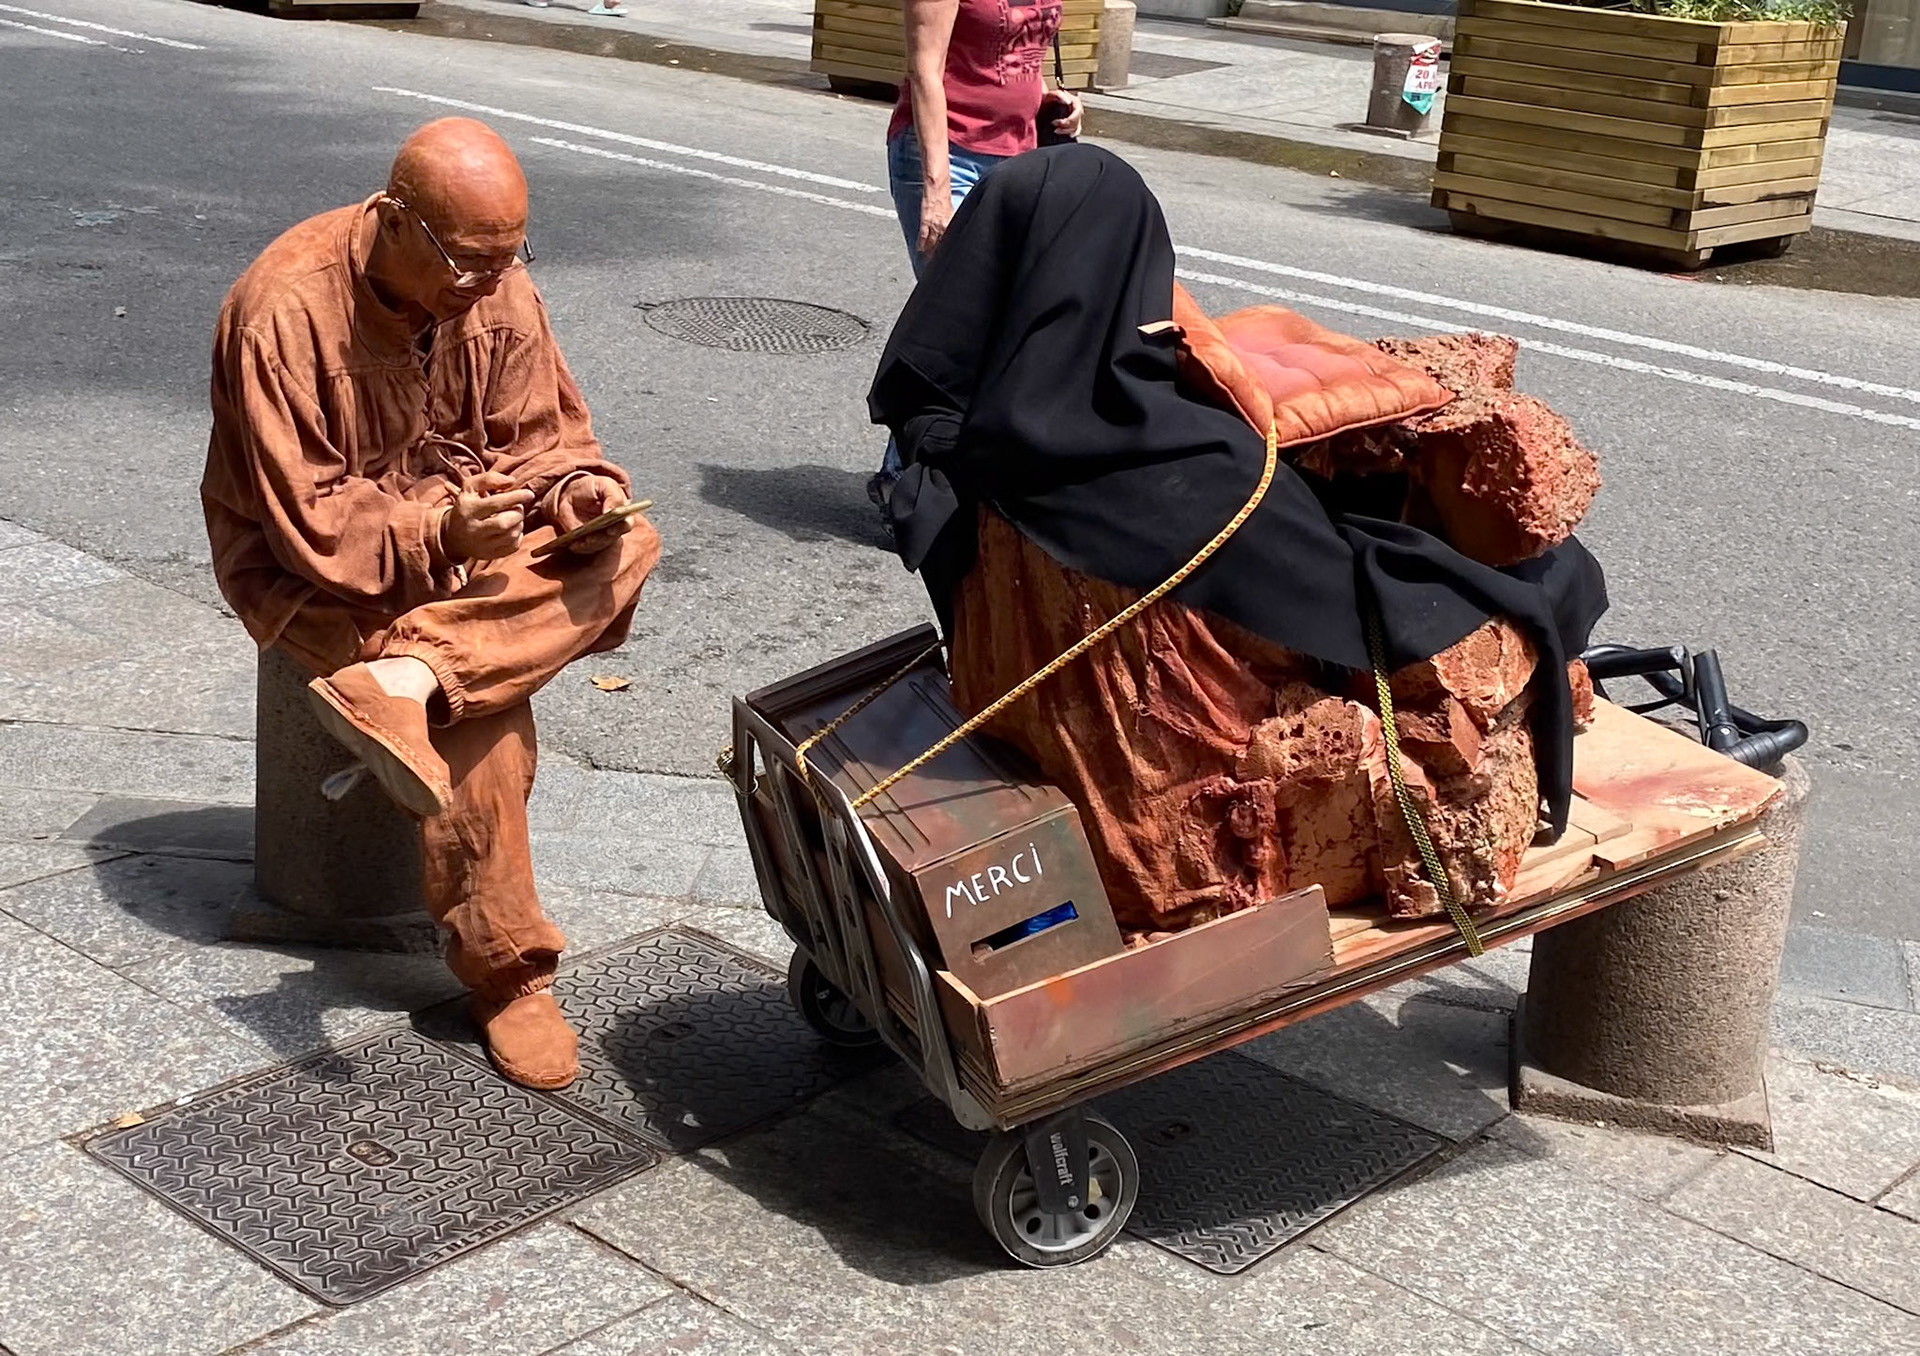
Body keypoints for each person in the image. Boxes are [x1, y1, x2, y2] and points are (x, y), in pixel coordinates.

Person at [867, 144, 1609, 932]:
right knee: (1540, 582)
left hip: (1041, 789)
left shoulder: (956, 451)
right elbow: (1348, 616)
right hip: (1192, 852)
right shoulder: (1193, 466)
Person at [201, 118, 660, 1090]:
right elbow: (308, 522)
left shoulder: (496, 283)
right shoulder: (282, 309)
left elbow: (545, 439)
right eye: (466, 261)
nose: (487, 282)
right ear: (394, 219)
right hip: (318, 571)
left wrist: (575, 497)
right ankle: (510, 972)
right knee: (481, 726)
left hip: (469, 548)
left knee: (630, 540)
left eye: (507, 257)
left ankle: (408, 678)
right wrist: (442, 534)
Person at [867, 0, 1086, 516]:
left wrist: (1049, 99)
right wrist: (936, 191)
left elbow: (1018, 55)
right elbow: (925, 71)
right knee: (963, 325)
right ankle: (907, 482)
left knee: (1009, 322)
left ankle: (937, 476)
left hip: (1020, 156)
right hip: (950, 156)